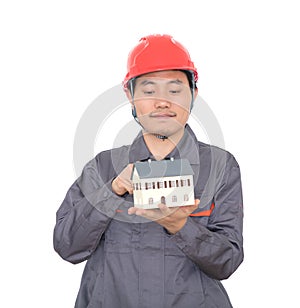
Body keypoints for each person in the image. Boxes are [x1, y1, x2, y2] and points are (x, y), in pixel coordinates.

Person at [53, 34, 244, 308]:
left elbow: (227, 261)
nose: (162, 102)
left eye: (175, 90)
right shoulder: (102, 167)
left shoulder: (220, 166)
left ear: (194, 94)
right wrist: (112, 191)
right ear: (130, 96)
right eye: (149, 90)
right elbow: (67, 246)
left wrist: (180, 226)